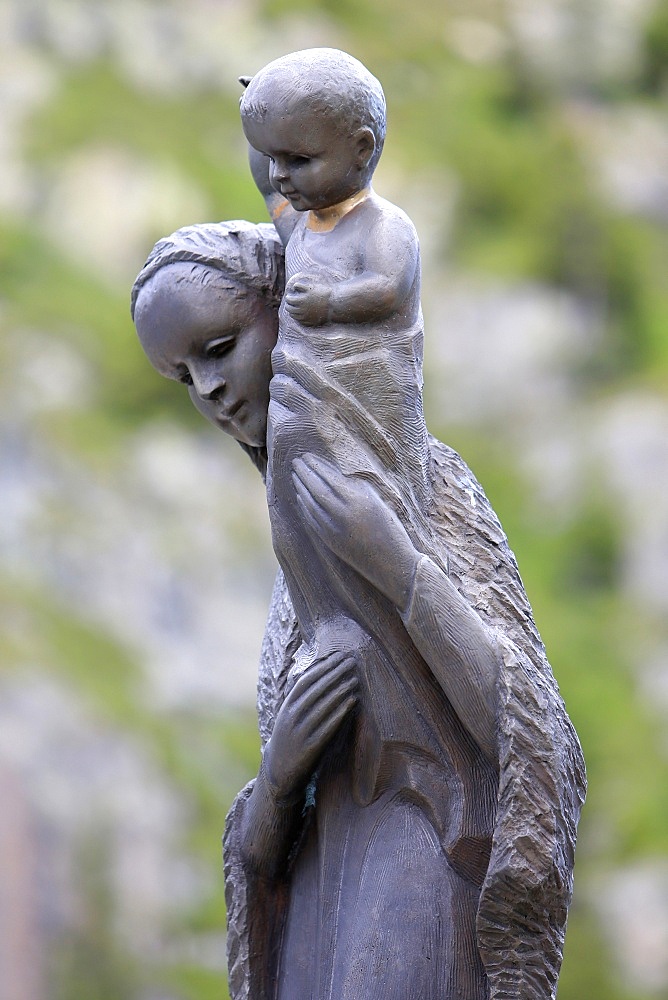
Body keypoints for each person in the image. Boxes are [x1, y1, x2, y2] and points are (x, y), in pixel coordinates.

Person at [131, 221, 586, 1000]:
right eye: (183, 376)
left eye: (219, 348)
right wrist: (277, 782)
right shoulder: (291, 566)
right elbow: (266, 846)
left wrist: (398, 566)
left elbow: (532, 736)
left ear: (290, 313)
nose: (206, 390)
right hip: (320, 900)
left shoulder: (420, 485)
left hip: (421, 866)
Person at [240, 49, 436, 657]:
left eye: (298, 160)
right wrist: (261, 128)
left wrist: (326, 302)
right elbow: (272, 198)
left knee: (364, 530)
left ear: (360, 148)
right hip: (301, 424)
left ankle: (384, 632)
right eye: (274, 159)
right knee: (297, 534)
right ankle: (324, 624)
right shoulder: (306, 225)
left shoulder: (383, 226)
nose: (281, 177)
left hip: (364, 415)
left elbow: (389, 288)